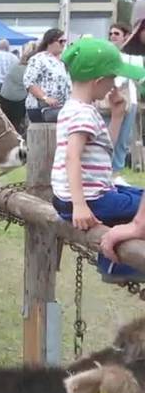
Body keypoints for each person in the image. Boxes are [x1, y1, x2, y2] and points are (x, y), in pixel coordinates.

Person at [50, 37, 145, 283]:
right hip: (90, 199)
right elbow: (73, 156)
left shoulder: (74, 109)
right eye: (113, 79)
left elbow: (104, 151)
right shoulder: (83, 113)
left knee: (138, 196)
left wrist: (116, 116)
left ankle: (114, 262)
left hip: (81, 197)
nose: (115, 85)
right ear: (99, 81)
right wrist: (80, 205)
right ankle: (121, 267)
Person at [105, 22, 139, 173]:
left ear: (126, 36)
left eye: (116, 33)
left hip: (129, 99)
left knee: (123, 139)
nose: (112, 36)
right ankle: (105, 170)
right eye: (111, 33)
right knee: (107, 138)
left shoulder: (133, 56)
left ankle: (116, 171)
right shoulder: (104, 53)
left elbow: (138, 76)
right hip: (108, 100)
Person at [23, 28, 71, 123]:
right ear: (50, 42)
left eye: (65, 41)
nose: (63, 44)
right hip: (41, 108)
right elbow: (29, 82)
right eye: (61, 41)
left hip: (59, 107)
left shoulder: (61, 62)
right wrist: (45, 98)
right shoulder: (38, 59)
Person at [0, 42, 37, 132]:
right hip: (16, 101)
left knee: (8, 124)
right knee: (16, 124)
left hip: (4, 97)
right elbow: (34, 87)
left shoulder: (16, 65)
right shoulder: (28, 69)